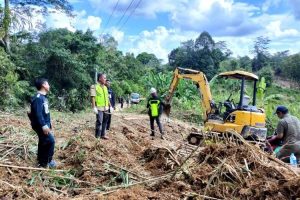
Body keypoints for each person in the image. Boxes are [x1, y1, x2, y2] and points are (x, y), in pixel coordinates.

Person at [28, 78, 56, 168]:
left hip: (43, 124)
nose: (49, 86)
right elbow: (38, 114)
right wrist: (43, 125)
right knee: (51, 141)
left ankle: (41, 161)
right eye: (48, 84)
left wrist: (49, 124)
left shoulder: (43, 98)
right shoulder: (38, 98)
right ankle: (47, 162)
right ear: (43, 85)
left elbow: (45, 112)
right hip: (40, 125)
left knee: (43, 141)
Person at [90, 73, 110, 139]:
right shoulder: (94, 86)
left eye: (105, 78)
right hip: (99, 108)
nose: (105, 79)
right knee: (99, 121)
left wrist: (110, 106)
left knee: (105, 122)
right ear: (99, 79)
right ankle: (97, 136)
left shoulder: (105, 88)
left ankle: (103, 135)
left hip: (106, 108)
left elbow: (107, 98)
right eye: (104, 78)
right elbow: (93, 97)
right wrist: (94, 107)